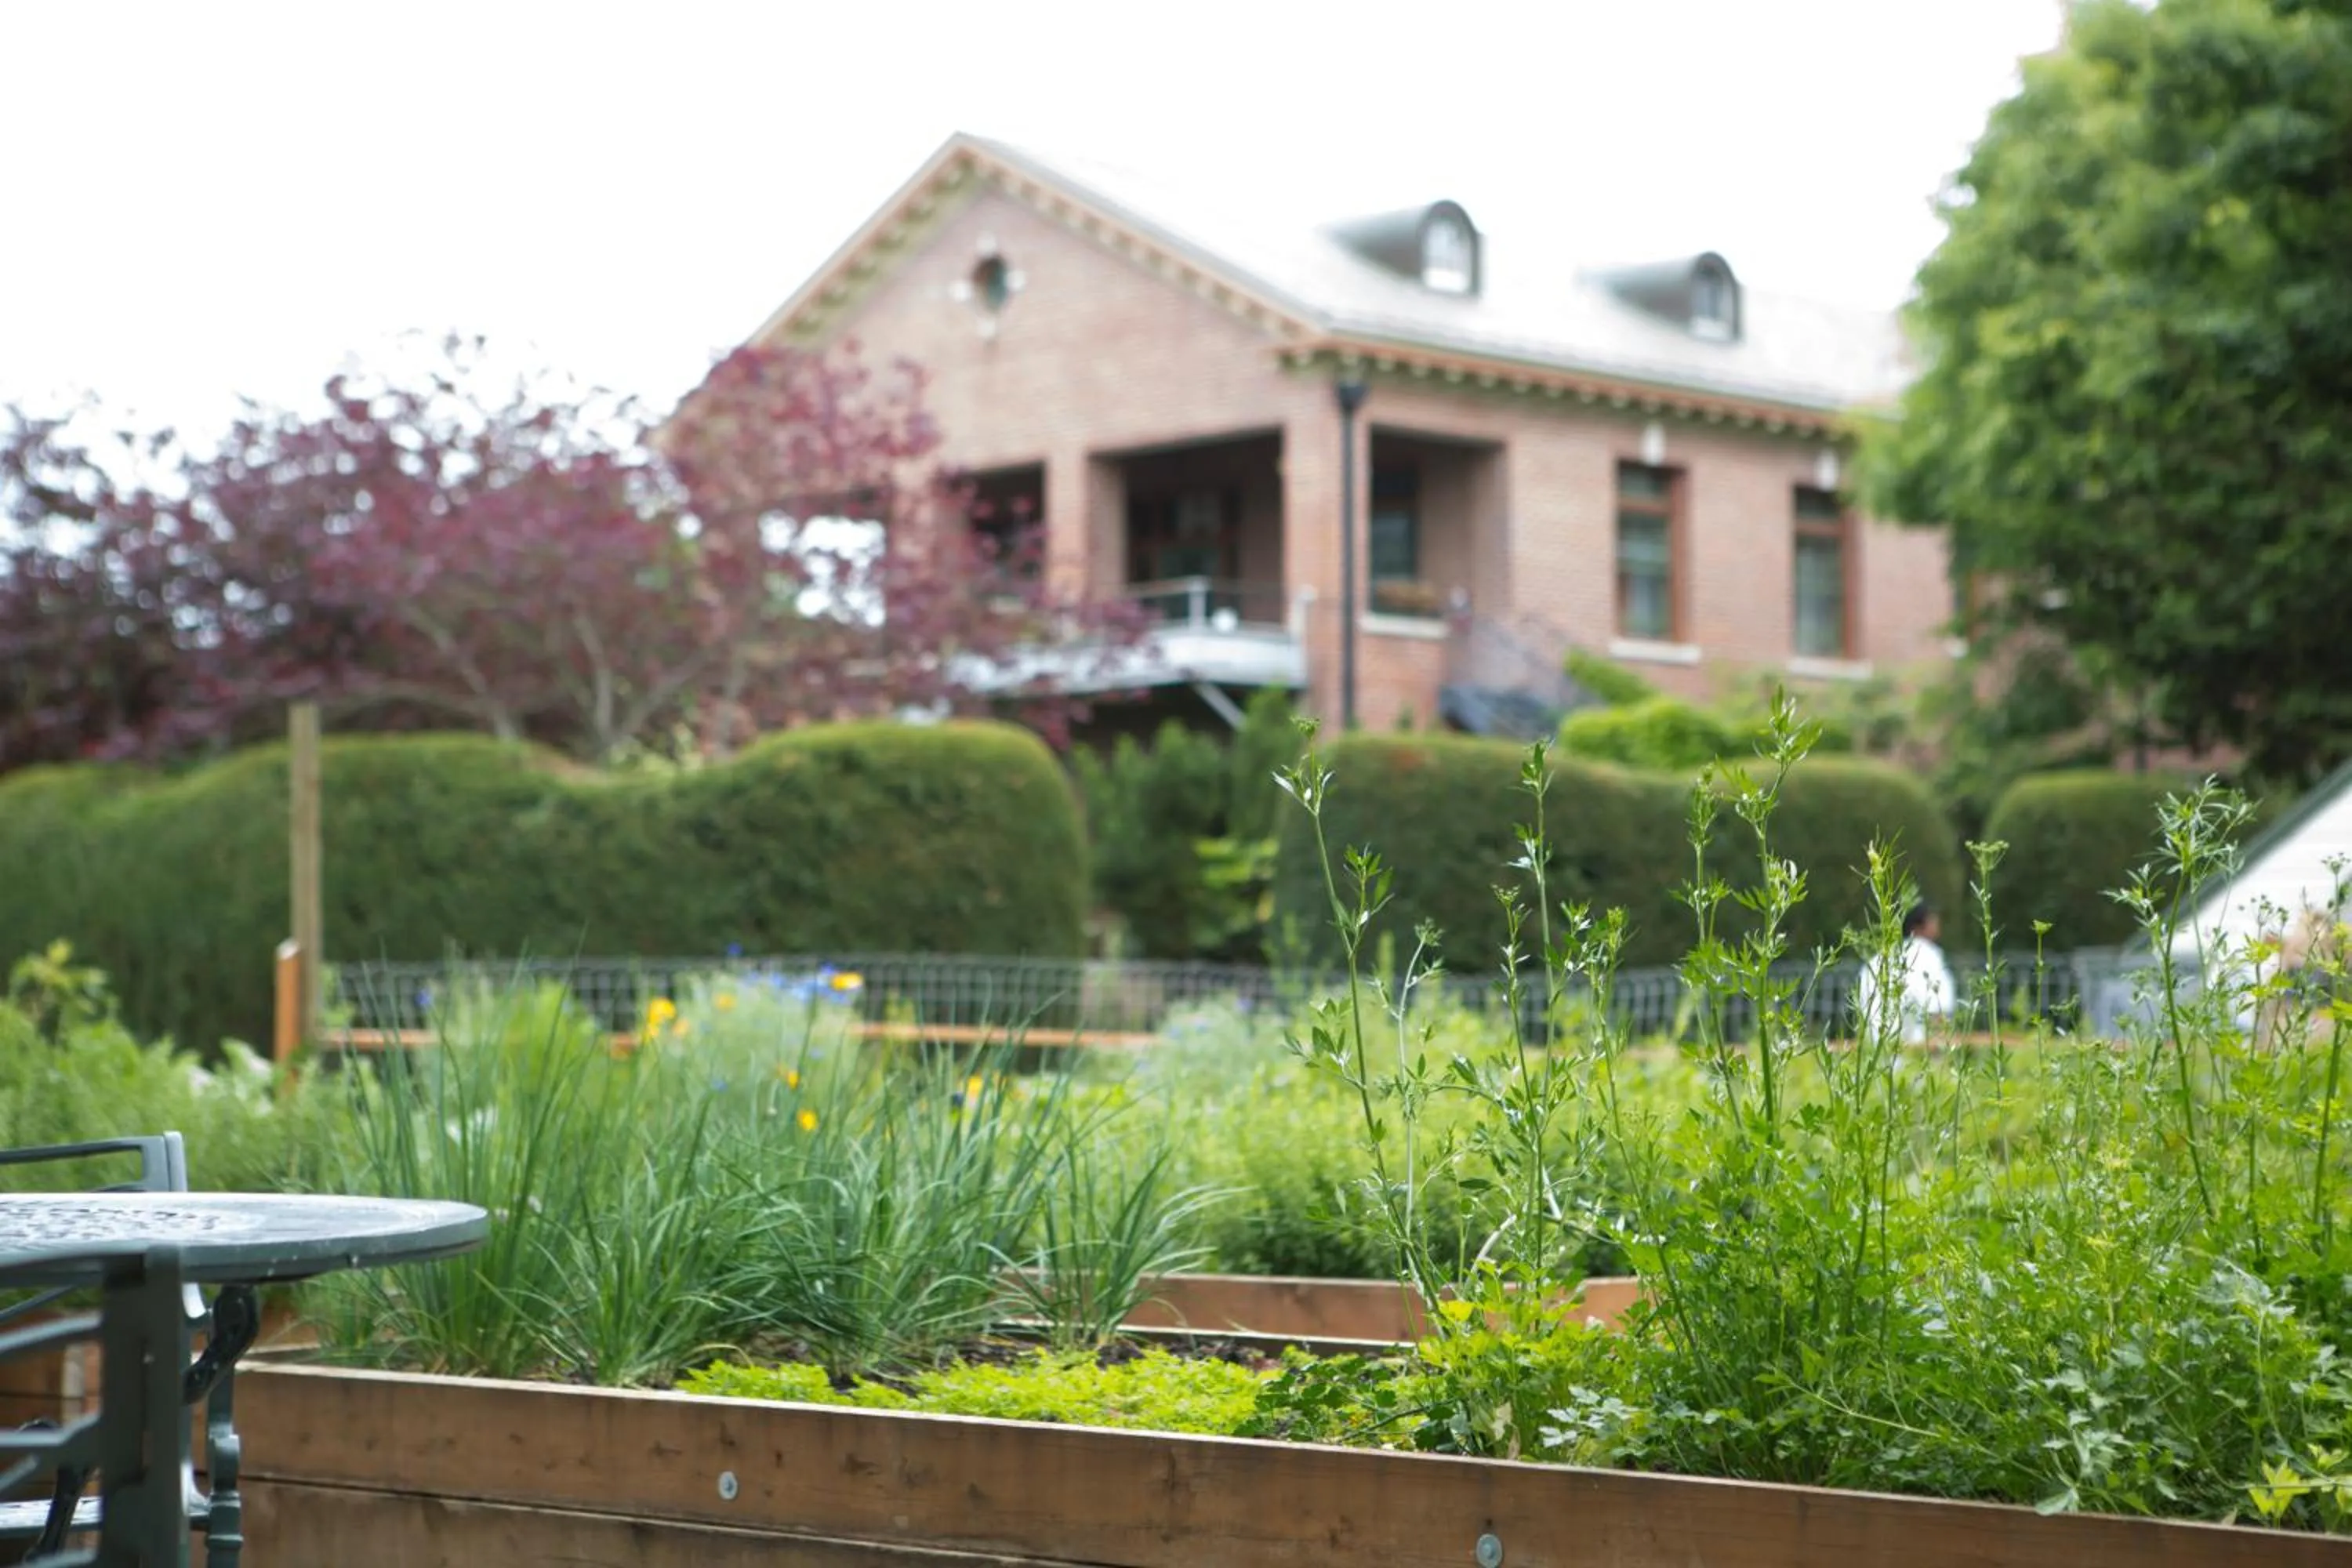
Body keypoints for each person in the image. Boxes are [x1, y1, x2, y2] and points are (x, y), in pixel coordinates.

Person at [1853, 902, 1957, 1046]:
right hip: (1912, 1051)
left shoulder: (1880, 958)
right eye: (1933, 920)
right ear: (1919, 926)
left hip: (1873, 1049)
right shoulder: (1929, 955)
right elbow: (1938, 1009)